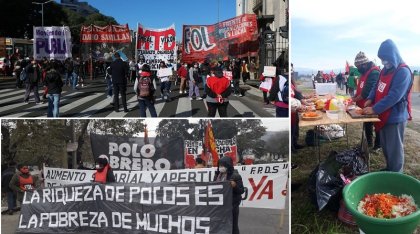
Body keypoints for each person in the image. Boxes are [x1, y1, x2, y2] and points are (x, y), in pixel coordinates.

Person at [363, 39, 413, 172]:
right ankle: (390, 168)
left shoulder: (403, 72)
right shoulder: (384, 70)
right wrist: (370, 98)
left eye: (386, 58)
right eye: (382, 59)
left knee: (395, 149)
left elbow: (394, 97)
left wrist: (374, 108)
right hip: (383, 114)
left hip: (395, 117)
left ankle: (396, 174)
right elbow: (376, 86)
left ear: (393, 55)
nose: (384, 62)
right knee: (386, 146)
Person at [352, 51, 381, 150]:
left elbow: (367, 92)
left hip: (372, 104)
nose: (358, 68)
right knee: (367, 123)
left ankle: (378, 144)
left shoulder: (374, 73)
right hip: (364, 105)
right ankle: (368, 142)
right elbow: (360, 87)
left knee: (376, 125)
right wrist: (354, 97)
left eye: (359, 66)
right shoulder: (364, 72)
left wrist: (354, 100)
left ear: (364, 64)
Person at [214, 156, 244, 234]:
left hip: (232, 205)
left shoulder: (235, 176)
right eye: (220, 165)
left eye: (223, 165)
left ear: (228, 165)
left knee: (233, 226)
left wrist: (235, 186)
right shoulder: (217, 175)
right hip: (220, 205)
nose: (221, 167)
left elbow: (241, 191)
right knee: (221, 225)